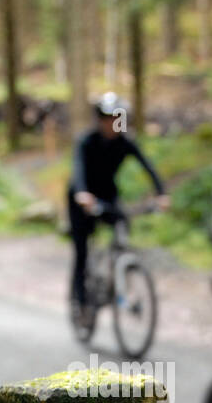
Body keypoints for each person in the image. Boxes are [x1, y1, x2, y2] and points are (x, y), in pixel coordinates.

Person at [66, 92, 170, 330]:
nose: (111, 123)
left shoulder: (126, 142)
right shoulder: (86, 141)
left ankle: (119, 274)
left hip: (108, 196)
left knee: (122, 226)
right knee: (81, 252)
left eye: (116, 118)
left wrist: (161, 192)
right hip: (81, 199)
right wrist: (82, 194)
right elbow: (78, 169)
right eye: (106, 118)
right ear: (99, 120)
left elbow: (148, 166)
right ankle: (80, 303)